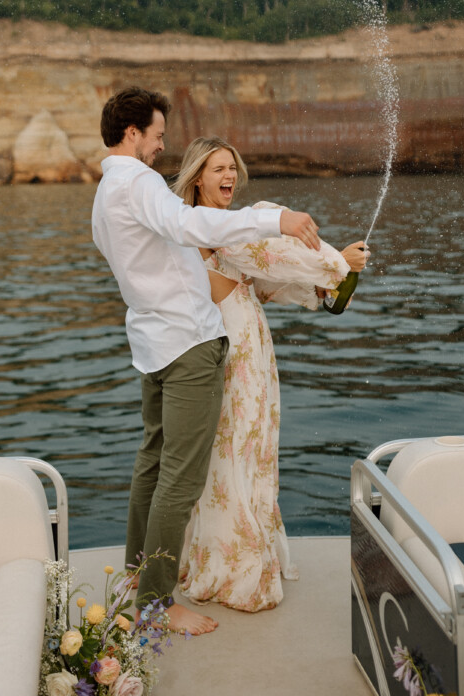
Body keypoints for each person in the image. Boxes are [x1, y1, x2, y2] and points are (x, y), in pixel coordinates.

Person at [91, 87, 323, 636]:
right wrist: (276, 220)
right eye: (157, 135)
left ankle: (133, 575)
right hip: (188, 344)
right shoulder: (139, 183)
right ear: (132, 134)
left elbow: (142, 256)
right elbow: (192, 227)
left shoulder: (105, 193)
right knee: (181, 475)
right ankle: (155, 604)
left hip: (151, 342)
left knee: (152, 459)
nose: (160, 145)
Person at [173, 136, 368, 612]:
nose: (229, 176)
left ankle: (226, 555)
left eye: (233, 168)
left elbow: (261, 282)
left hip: (250, 347)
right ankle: (237, 568)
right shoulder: (215, 226)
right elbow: (270, 256)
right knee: (241, 448)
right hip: (237, 355)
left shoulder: (218, 228)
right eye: (219, 168)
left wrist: (324, 288)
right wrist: (337, 263)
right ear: (198, 176)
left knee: (245, 450)